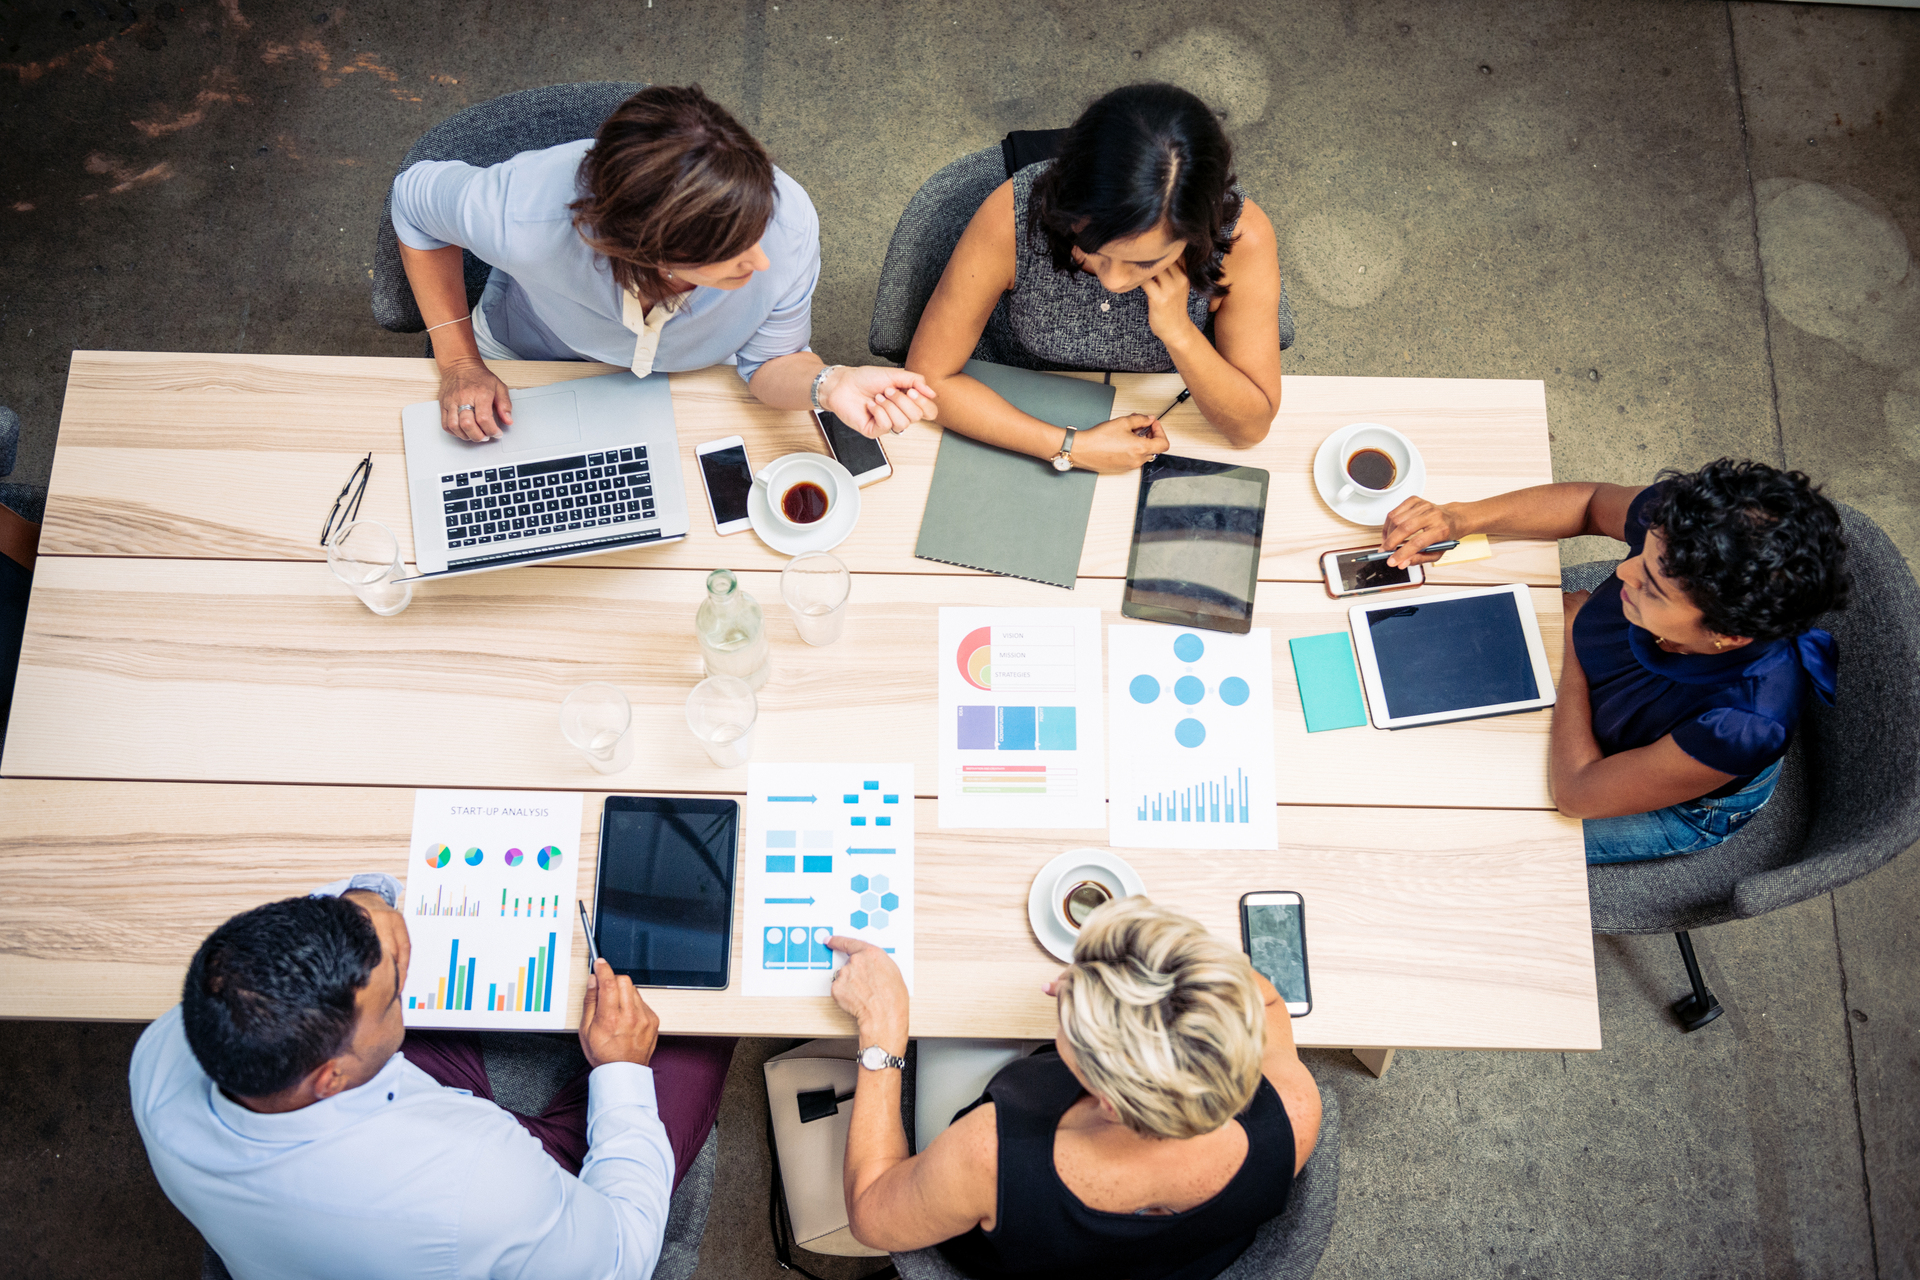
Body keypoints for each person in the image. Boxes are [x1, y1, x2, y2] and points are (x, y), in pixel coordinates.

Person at [129, 872, 732, 1279]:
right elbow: (622, 1256)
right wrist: (623, 1069)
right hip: (438, 1220)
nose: (404, 973)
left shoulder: (167, 1048)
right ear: (331, 1077)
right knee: (692, 1037)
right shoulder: (475, 1182)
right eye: (395, 996)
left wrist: (359, 898)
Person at [390, 83, 935, 443]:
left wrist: (828, 384)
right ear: (643, 248)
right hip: (533, 353)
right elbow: (413, 202)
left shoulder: (788, 224)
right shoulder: (523, 215)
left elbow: (768, 363)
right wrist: (459, 363)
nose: (764, 260)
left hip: (693, 372)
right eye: (731, 254)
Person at [1377, 459, 1848, 864]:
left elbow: (1577, 793)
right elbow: (1590, 503)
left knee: (1455, 837)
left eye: (1652, 586)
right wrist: (1458, 518)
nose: (1622, 571)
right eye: (1642, 554)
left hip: (1671, 797)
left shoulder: (1742, 724)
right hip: (1599, 706)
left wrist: (1571, 653)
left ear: (1725, 635)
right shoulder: (1680, 528)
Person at [825, 896, 1321, 1280]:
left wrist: (882, 1030)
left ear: (1104, 1098)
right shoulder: (1294, 1112)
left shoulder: (990, 1153)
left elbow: (870, 1213)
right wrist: (1139, 986)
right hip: (1174, 1255)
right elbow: (1266, 997)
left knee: (951, 1019)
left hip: (1006, 1229)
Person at [905, 82, 1286, 475]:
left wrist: (1180, 333)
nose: (1114, 282)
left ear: (1197, 234)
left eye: (1144, 262)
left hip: (1160, 408)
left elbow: (1250, 429)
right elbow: (928, 378)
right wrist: (1071, 447)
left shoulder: (1242, 239)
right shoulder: (1013, 215)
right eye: (1091, 247)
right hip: (1012, 397)